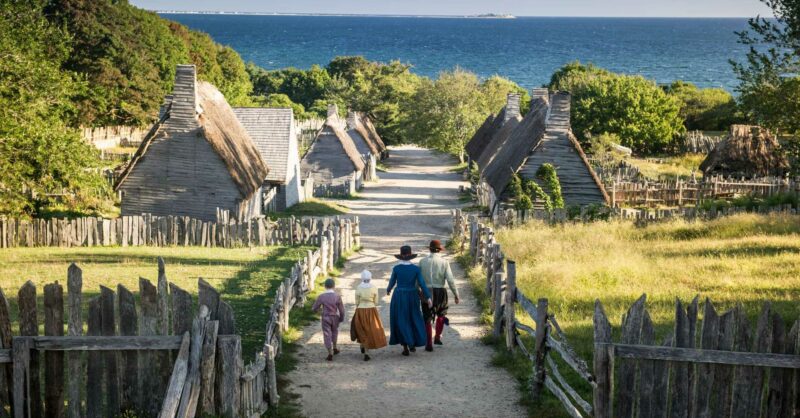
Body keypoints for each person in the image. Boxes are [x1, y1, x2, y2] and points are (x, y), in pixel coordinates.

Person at [387, 245, 432, 356]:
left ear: (401, 256)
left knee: (401, 319)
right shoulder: (416, 269)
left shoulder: (396, 268)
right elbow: (422, 283)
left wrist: (388, 290)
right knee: (413, 317)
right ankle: (412, 342)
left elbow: (392, 282)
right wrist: (428, 297)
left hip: (399, 295)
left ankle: (405, 346)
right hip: (412, 294)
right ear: (410, 255)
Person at [418, 239, 459, 350]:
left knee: (427, 316)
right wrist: (456, 294)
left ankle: (429, 343)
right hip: (440, 291)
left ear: (430, 249)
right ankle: (437, 337)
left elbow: (418, 279)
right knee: (441, 314)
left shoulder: (422, 261)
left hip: (426, 291)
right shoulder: (444, 262)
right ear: (439, 250)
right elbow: (450, 279)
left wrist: (417, 291)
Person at [350, 270, 387, 361]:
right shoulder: (374, 288)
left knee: (361, 328)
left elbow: (357, 301)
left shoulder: (358, 287)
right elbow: (376, 301)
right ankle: (366, 352)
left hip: (361, 309)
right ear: (370, 278)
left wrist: (359, 306)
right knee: (370, 329)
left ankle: (363, 345)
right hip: (371, 310)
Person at [312, 278, 345, 361]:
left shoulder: (321, 297)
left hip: (325, 317)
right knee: (334, 332)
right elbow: (341, 310)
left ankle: (330, 353)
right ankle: (335, 348)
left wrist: (319, 311)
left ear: (325, 286)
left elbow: (314, 308)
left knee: (327, 334)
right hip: (335, 317)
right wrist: (341, 318)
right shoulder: (337, 296)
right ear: (334, 286)